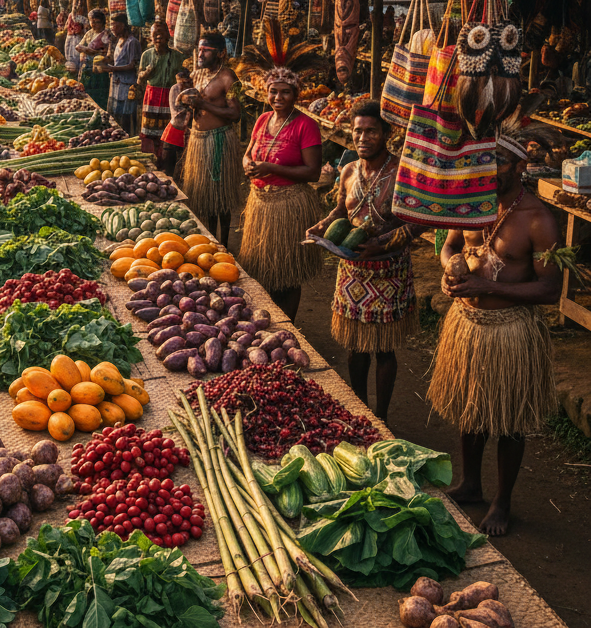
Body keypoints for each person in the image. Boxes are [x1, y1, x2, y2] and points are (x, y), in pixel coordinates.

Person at [428, 123, 561, 537]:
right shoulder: (473, 201)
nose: (489, 169)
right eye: (485, 159)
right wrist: (450, 268)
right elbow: (450, 245)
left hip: (511, 331)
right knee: (471, 407)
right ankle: (470, 483)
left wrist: (489, 286)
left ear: (521, 164)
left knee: (509, 417)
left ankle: (502, 501)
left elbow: (550, 288)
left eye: (499, 160)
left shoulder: (537, 219)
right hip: (468, 326)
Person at [307, 100, 424, 421]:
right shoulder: (348, 170)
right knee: (356, 347)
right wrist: (323, 225)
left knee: (384, 349)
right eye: (358, 131)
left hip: (389, 270)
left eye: (371, 131)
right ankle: (360, 412)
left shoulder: (402, 173)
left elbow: (418, 222)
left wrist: (383, 243)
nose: (362, 137)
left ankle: (381, 416)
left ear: (387, 134)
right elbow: (341, 212)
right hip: (352, 270)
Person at [238, 65, 323, 321]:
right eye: (273, 92)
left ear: (296, 94)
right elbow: (249, 150)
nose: (278, 97)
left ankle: (288, 325)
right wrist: (246, 163)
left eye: (285, 92)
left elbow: (313, 172)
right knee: (261, 270)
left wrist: (270, 167)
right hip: (260, 203)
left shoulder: (306, 125)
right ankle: (265, 320)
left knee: (286, 275)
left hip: (289, 206)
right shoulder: (263, 120)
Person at [180, 32, 243, 248]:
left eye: (206, 50)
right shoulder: (197, 75)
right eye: (200, 48)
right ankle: (209, 240)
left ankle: (224, 243)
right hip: (198, 141)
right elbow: (193, 102)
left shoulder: (229, 78)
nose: (200, 53)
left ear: (221, 53)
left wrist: (203, 104)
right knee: (205, 197)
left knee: (220, 196)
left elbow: (236, 114)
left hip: (219, 143)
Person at [136, 21, 186, 159]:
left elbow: (184, 77)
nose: (158, 37)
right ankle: (149, 158)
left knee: (167, 129)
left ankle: (165, 160)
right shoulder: (146, 55)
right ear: (150, 37)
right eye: (155, 34)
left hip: (170, 97)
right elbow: (139, 79)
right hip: (152, 95)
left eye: (161, 34)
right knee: (149, 131)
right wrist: (146, 72)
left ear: (168, 36)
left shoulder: (178, 56)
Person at [105, 12, 140, 136]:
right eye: (111, 25)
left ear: (123, 25)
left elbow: (132, 65)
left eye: (114, 25)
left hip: (127, 84)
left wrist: (112, 69)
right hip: (116, 83)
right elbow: (115, 59)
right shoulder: (118, 40)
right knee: (116, 114)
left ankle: (128, 137)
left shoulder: (132, 42)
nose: (112, 28)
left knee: (127, 116)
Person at [160, 66, 193, 177]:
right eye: (181, 82)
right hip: (176, 129)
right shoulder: (175, 89)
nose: (183, 86)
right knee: (168, 165)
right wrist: (190, 110)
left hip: (192, 131)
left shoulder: (196, 89)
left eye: (187, 83)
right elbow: (176, 111)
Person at [76, 9, 113, 111]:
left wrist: (92, 52)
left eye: (97, 22)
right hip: (87, 68)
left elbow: (107, 53)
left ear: (103, 23)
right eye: (92, 22)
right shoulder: (89, 33)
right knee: (86, 92)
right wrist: (84, 50)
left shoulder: (106, 35)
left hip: (99, 70)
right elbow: (79, 46)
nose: (94, 24)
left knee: (99, 94)